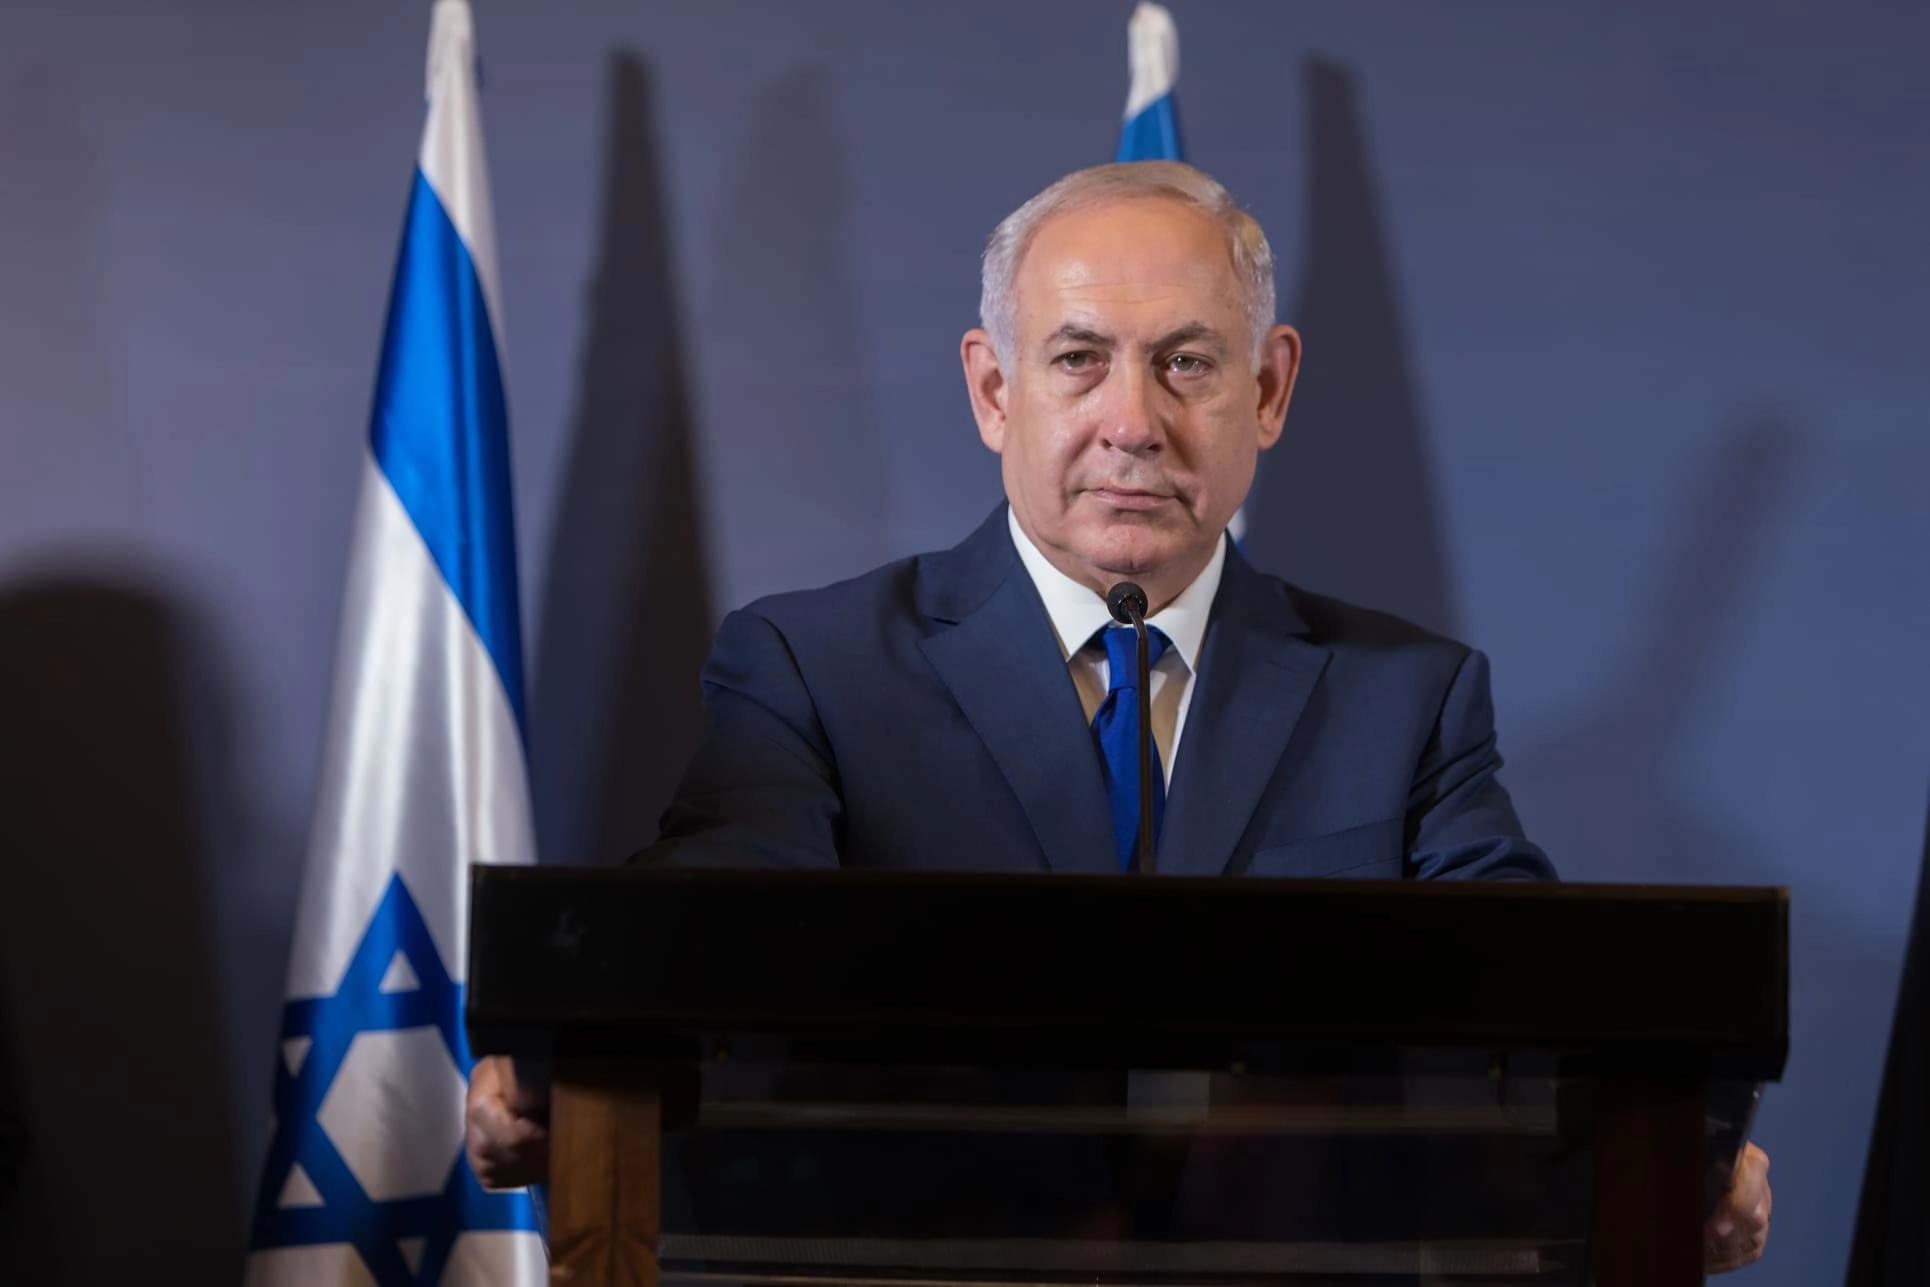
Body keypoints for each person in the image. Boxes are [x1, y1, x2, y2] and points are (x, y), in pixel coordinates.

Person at [466, 161, 1770, 1270]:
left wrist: (1669, 1150)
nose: (1131, 422)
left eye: (1186, 363)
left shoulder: (1407, 697)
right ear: (994, 390)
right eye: (1079, 360)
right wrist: (564, 1052)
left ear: (1268, 390)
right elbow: (712, 908)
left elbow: (1535, 1003)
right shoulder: (812, 668)